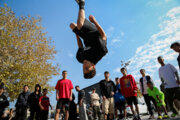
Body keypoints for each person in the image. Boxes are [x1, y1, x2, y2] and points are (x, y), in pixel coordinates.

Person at [70, 0, 108, 79]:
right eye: (87, 68)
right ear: (93, 67)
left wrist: (76, 34)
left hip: (85, 36)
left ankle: (80, 6)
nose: (84, 66)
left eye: (83, 68)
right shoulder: (100, 53)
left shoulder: (80, 59)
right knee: (80, 25)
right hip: (94, 32)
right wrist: (95, 21)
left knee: (72, 25)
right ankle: (82, 3)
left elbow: (80, 46)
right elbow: (104, 36)